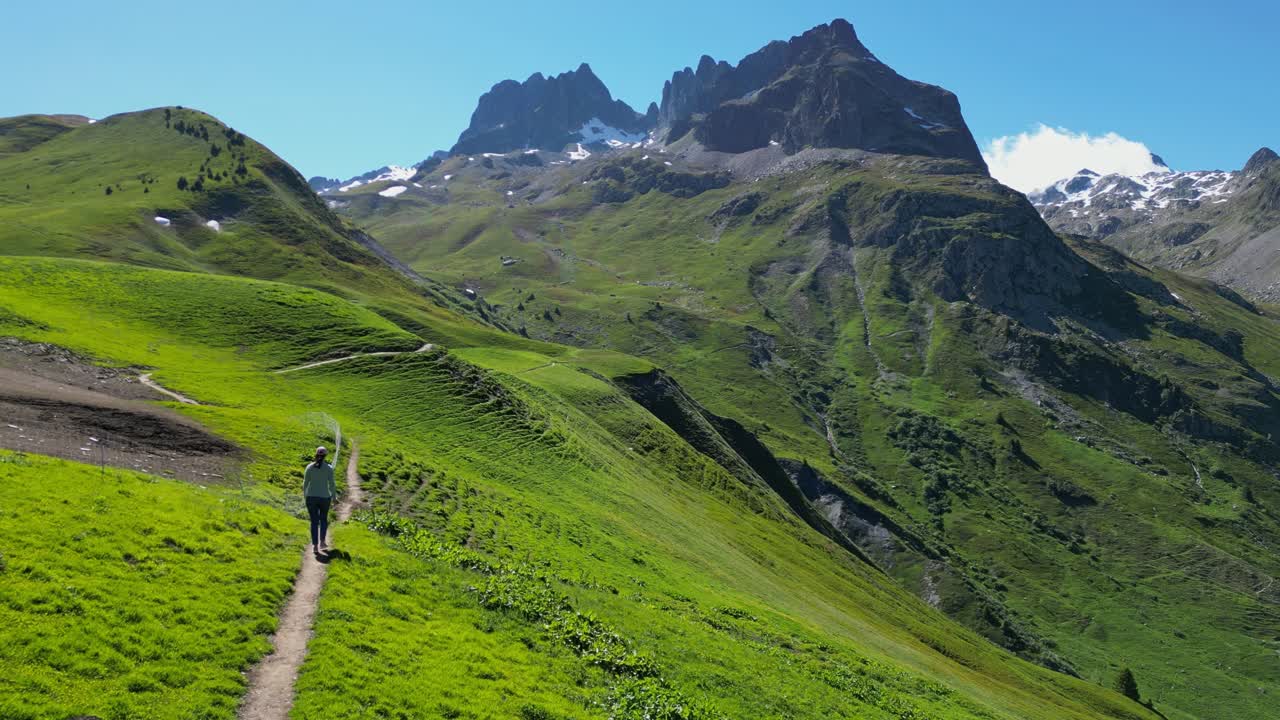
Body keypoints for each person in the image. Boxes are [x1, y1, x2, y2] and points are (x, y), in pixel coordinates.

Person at [303, 445, 339, 556]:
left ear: (316, 454)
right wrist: (334, 497)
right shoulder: (329, 468)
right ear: (325, 456)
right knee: (323, 519)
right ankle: (322, 542)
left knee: (314, 522)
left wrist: (305, 496)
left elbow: (305, 483)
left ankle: (315, 546)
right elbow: (332, 484)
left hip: (311, 498)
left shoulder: (309, 467)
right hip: (324, 498)